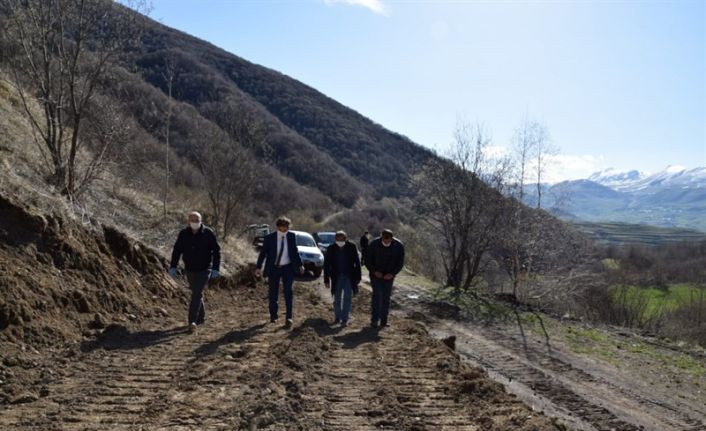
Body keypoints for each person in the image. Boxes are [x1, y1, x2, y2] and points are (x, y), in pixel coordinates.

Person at [169, 211, 221, 333]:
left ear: (201, 221)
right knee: (196, 292)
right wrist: (173, 266)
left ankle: (192, 321)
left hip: (204, 269)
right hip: (189, 269)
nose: (194, 223)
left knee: (196, 293)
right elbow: (177, 250)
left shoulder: (208, 233)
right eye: (192, 220)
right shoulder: (183, 234)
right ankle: (201, 318)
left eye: (197, 220)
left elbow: (216, 251)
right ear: (188, 221)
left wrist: (215, 268)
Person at [255, 216, 304, 328]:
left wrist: (300, 264)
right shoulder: (269, 238)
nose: (283, 231)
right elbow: (263, 254)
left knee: (288, 291)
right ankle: (273, 315)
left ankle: (289, 317)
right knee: (273, 292)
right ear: (277, 227)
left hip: (288, 267)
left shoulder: (291, 236)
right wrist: (258, 267)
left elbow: (295, 252)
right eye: (281, 228)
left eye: (286, 228)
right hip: (274, 268)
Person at [364, 229, 404, 329]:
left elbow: (400, 262)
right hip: (375, 274)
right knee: (377, 296)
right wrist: (374, 271)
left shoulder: (398, 246)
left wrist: (392, 274)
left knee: (386, 297)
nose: (386, 242)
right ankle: (374, 320)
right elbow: (367, 260)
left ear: (392, 238)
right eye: (384, 240)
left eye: (388, 240)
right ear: (381, 237)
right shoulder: (374, 244)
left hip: (389, 275)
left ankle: (384, 321)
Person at [324, 231, 361, 327]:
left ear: (346, 238)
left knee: (347, 298)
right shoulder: (331, 248)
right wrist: (326, 279)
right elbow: (327, 264)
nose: (340, 241)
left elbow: (357, 262)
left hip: (349, 276)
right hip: (336, 277)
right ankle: (337, 317)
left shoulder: (351, 247)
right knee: (337, 298)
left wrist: (358, 277)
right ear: (335, 239)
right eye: (338, 239)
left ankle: (345, 319)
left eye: (342, 239)